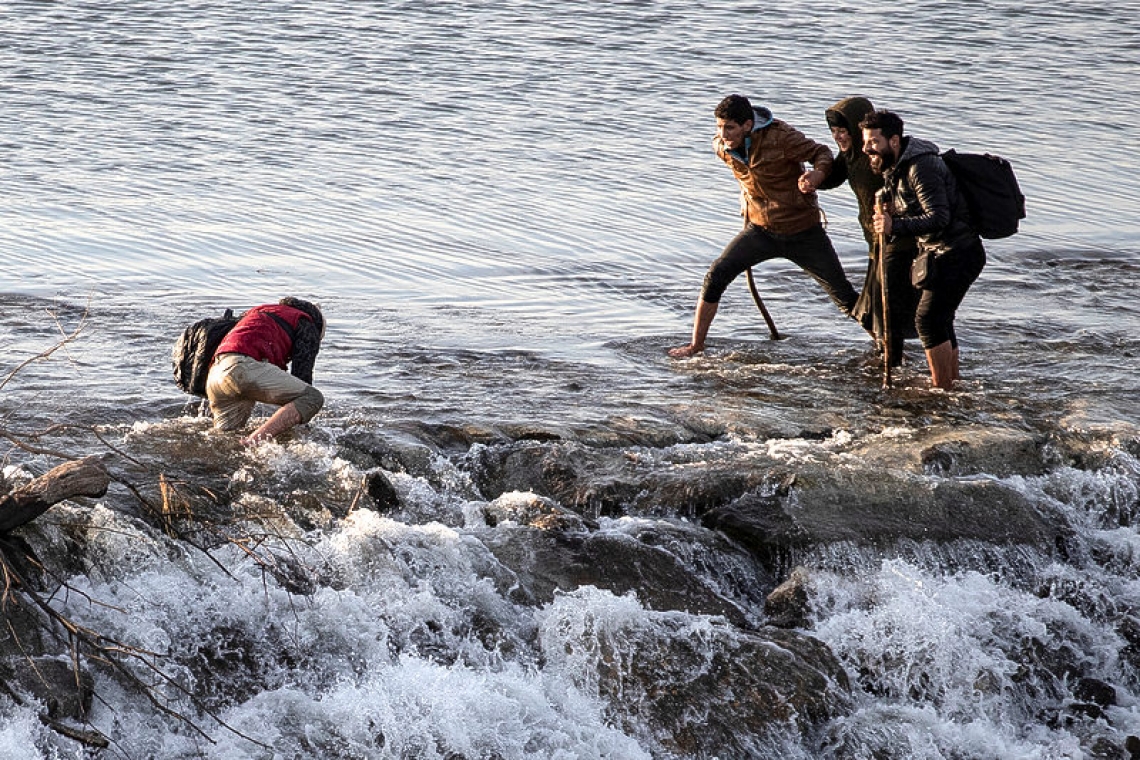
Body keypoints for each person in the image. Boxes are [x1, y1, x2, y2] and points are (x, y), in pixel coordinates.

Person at [668, 94, 858, 357]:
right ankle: (696, 346)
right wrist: (746, 199)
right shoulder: (722, 147)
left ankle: (889, 347)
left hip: (803, 230)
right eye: (719, 127)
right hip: (760, 230)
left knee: (845, 299)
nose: (723, 134)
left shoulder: (781, 137)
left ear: (747, 125)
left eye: (729, 128)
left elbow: (821, 152)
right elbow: (748, 176)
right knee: (716, 275)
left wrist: (816, 174)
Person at [860, 110, 986, 389]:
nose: (866, 148)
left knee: (927, 320)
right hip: (943, 252)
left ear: (894, 141)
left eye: (873, 142)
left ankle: (941, 388)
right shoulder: (897, 167)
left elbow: (939, 217)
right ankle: (951, 384)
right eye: (866, 142)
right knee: (940, 318)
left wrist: (894, 226)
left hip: (957, 252)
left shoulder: (921, 167)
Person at [817, 96, 919, 366]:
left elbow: (903, 186)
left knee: (886, 304)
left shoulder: (875, 156)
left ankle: (892, 359)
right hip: (875, 238)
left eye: (843, 131)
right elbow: (832, 177)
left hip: (895, 238)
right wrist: (809, 174)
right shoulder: (852, 154)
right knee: (875, 304)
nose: (839, 137)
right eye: (834, 132)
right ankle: (886, 352)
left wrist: (894, 215)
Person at [206, 297, 326, 443]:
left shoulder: (259, 313)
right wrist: (302, 428)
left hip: (215, 374)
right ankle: (254, 441)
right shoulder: (306, 323)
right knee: (313, 398)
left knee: (226, 442)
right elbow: (302, 377)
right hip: (242, 369)